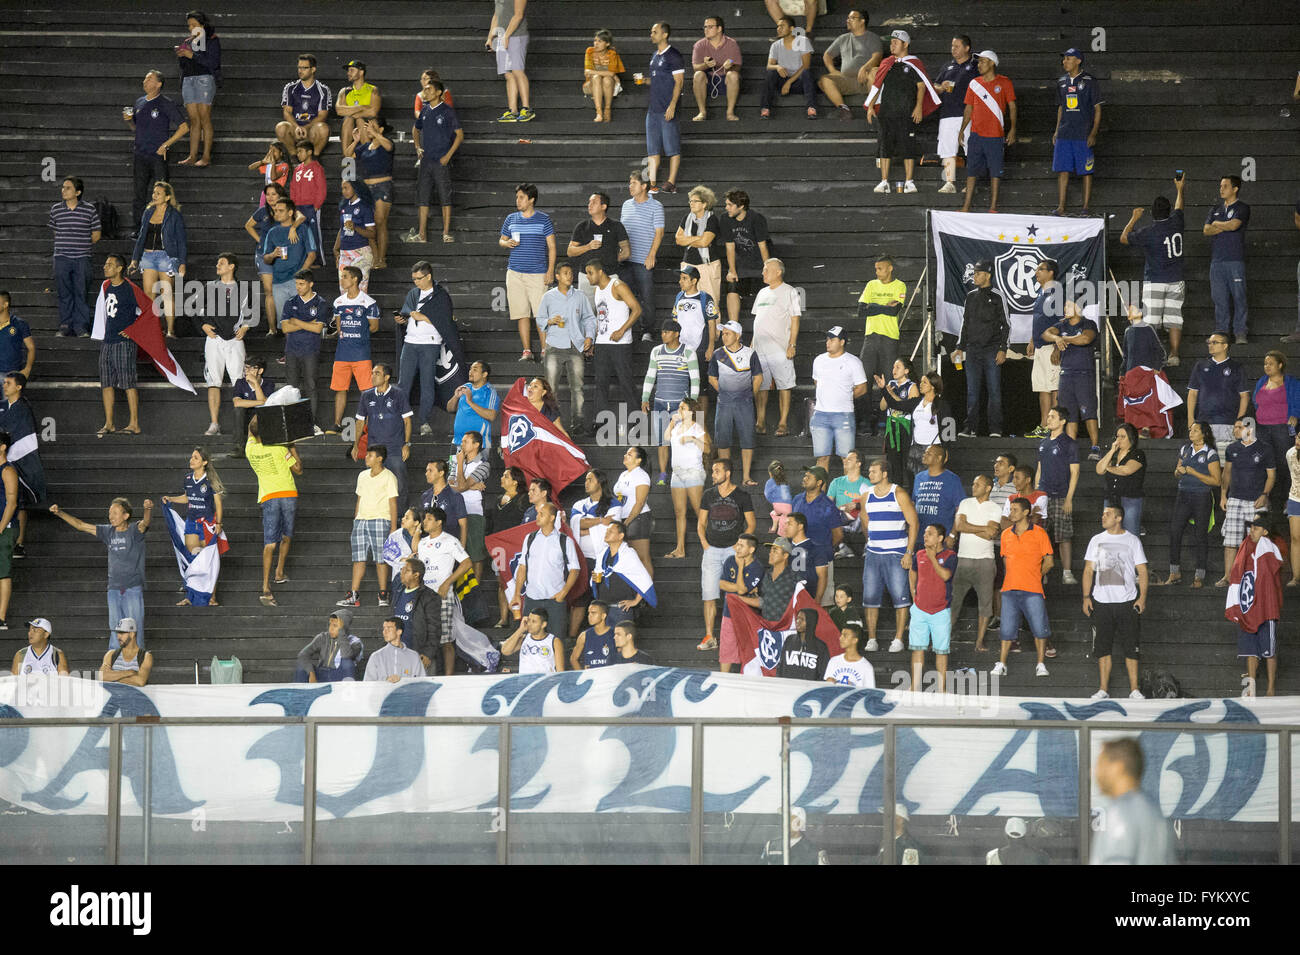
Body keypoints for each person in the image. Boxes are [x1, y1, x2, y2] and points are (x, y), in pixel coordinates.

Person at [49, 497, 152, 649]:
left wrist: (147, 509)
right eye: (110, 513)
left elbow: (145, 523)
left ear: (126, 515)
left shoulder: (133, 531)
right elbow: (81, 525)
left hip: (132, 588)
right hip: (113, 589)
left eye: (115, 513)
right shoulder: (107, 531)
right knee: (115, 628)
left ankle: (138, 664)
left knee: (134, 628)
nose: (111, 516)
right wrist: (60, 513)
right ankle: (114, 664)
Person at [1083, 503, 1148, 701]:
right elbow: (1088, 570)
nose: (1103, 517)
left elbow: (1142, 571)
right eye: (1103, 514)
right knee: (1102, 647)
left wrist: (1142, 597)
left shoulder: (1132, 540)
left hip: (1127, 601)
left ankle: (1134, 689)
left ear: (1119, 518)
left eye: (1108, 514)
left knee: (1131, 646)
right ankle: (1103, 689)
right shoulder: (1096, 540)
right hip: (1101, 601)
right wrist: (1086, 597)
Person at [1120, 175, 1186, 365]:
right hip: (1176, 279)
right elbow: (1179, 207)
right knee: (1174, 319)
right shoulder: (1177, 222)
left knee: (1151, 321)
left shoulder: (1148, 232)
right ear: (1169, 211)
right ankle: (1174, 355)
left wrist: (1133, 218)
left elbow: (1124, 238)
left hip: (1155, 280)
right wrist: (1180, 189)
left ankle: (1152, 357)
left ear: (1152, 213)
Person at [865, 31, 940, 195]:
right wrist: (871, 106)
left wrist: (918, 106)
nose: (892, 45)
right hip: (887, 111)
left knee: (908, 146)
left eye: (895, 42)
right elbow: (878, 86)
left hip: (906, 112)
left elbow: (922, 86)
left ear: (905, 44)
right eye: (891, 42)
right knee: (885, 146)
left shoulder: (913, 64)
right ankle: (884, 181)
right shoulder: (887, 63)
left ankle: (909, 181)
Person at [698, 458, 756, 658]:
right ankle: (709, 636)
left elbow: (751, 524)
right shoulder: (708, 495)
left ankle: (740, 635)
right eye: (712, 471)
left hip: (734, 551)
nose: (713, 474)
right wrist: (705, 544)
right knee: (709, 594)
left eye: (716, 471)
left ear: (728, 473)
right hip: (712, 549)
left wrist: (739, 546)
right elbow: (701, 523)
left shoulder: (742, 495)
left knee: (737, 593)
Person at [859, 457, 918, 653]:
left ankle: (899, 639)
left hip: (896, 553)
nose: (869, 474)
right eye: (869, 471)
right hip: (874, 554)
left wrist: (908, 552)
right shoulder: (866, 495)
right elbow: (865, 522)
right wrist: (870, 544)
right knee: (870, 598)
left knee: (900, 598)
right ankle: (872, 638)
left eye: (873, 471)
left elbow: (914, 523)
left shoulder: (898, 493)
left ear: (884, 474)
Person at [992, 497, 1054, 678]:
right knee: (1006, 629)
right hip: (1009, 589)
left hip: (1033, 589)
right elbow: (1005, 560)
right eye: (1010, 509)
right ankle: (1002, 663)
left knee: (1039, 628)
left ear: (1026, 512)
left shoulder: (1040, 533)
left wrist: (1035, 575)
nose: (1011, 513)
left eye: (1015, 510)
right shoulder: (1005, 535)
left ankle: (1041, 664)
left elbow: (1049, 562)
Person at [245, 415, 303, 606]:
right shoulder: (280, 448)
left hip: (269, 496)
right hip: (287, 494)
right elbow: (298, 469)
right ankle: (279, 572)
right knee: (286, 535)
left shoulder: (250, 449)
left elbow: (250, 427)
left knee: (269, 543)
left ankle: (266, 586)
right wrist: (291, 445)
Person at [1090, 738, 1176, 864]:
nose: (1095, 773)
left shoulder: (1119, 814)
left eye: (1101, 765)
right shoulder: (1156, 815)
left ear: (1118, 767)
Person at [395, 261, 455, 435]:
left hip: (430, 342)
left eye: (419, 278)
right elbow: (406, 312)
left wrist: (423, 316)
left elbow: (446, 320)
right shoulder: (413, 293)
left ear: (429, 276)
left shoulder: (441, 295)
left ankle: (424, 421)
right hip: (410, 341)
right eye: (413, 279)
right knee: (403, 383)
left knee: (427, 383)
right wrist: (402, 320)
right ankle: (400, 420)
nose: (416, 282)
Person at [1158, 421, 1220, 587]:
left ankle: (1199, 575)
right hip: (1183, 494)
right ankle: (1174, 572)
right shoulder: (1185, 449)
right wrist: (1178, 472)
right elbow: (1177, 472)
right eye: (1190, 430)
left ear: (1204, 434)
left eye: (1195, 430)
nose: (1191, 433)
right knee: (1175, 531)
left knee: (1200, 535)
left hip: (1201, 496)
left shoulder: (1210, 453)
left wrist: (1193, 472)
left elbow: (1216, 480)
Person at [201, 252, 257, 436]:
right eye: (217, 263)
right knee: (213, 382)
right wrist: (203, 325)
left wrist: (246, 327)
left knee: (239, 383)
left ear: (232, 266)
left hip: (235, 340)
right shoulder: (209, 287)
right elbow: (197, 311)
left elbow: (256, 312)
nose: (218, 265)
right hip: (214, 339)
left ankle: (241, 426)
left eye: (222, 263)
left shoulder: (244, 289)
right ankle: (214, 424)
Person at [337, 446, 400, 608]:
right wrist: (356, 519)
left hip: (380, 519)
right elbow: (359, 499)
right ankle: (354, 595)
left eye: (370, 455)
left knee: (381, 559)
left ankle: (383, 594)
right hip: (361, 521)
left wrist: (393, 527)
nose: (366, 457)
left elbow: (393, 502)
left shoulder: (389, 477)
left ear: (379, 458)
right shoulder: (362, 475)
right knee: (358, 558)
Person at [124, 70, 188, 227]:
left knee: (161, 192)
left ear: (159, 84)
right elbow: (136, 128)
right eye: (145, 79)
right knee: (139, 194)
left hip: (157, 155)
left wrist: (166, 144)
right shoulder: (139, 102)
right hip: (140, 154)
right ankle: (138, 228)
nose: (145, 81)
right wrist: (129, 121)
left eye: (149, 79)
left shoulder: (165, 103)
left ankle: (162, 226)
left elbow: (184, 127)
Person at [499, 183, 556, 361]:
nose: (518, 201)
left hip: (538, 273)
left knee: (541, 314)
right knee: (521, 313)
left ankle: (545, 349)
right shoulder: (511, 219)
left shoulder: (543, 219)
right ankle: (527, 351)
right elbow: (501, 240)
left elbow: (552, 247)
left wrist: (550, 271)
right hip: (515, 272)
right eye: (517, 197)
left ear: (531, 199)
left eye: (522, 197)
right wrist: (506, 243)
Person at [954, 260, 1009, 437]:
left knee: (994, 391)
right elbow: (965, 323)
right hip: (972, 351)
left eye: (978, 273)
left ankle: (995, 429)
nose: (975, 276)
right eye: (974, 273)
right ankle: (970, 428)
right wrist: (960, 347)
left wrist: (1002, 349)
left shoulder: (998, 296)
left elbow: (1006, 324)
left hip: (992, 349)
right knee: (972, 392)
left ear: (988, 275)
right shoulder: (970, 296)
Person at [1218, 418, 1275, 587]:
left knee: (1259, 540)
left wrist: (1265, 494)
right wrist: (1223, 495)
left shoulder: (1265, 449)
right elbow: (1226, 473)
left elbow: (1271, 475)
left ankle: (1260, 577)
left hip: (1256, 500)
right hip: (1235, 498)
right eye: (1235, 426)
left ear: (1249, 429)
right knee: (1230, 540)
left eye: (1239, 427)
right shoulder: (1232, 448)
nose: (1235, 430)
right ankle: (1228, 576)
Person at [588, 260, 643, 434]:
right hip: (603, 342)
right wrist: (594, 340)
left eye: (590, 272)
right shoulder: (597, 290)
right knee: (600, 383)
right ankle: (601, 422)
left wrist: (622, 330)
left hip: (620, 344)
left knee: (626, 382)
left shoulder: (617, 285)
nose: (588, 277)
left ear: (600, 271)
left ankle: (636, 423)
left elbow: (637, 309)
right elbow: (600, 317)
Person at [958, 50, 1016, 213]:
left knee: (995, 171)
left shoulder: (1004, 82)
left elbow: (1012, 106)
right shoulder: (974, 83)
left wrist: (1013, 129)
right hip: (976, 134)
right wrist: (962, 129)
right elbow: (968, 108)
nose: (979, 64)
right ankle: (966, 206)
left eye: (983, 61)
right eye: (979, 62)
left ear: (992, 63)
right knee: (971, 170)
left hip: (995, 135)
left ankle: (992, 207)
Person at [92, 255, 145, 436]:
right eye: (105, 264)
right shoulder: (106, 286)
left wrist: (133, 330)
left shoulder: (130, 288)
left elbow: (148, 310)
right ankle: (109, 423)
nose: (105, 267)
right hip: (108, 340)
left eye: (109, 265)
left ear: (120, 268)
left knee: (128, 382)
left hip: (124, 342)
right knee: (106, 383)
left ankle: (134, 423)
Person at [417, 505, 472, 678]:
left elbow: (467, 563)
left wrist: (447, 583)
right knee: (425, 635)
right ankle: (426, 674)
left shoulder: (450, 540)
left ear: (439, 522)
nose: (425, 521)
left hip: (442, 594)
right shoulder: (422, 543)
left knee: (446, 638)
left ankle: (448, 677)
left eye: (429, 519)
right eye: (425, 518)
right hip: (424, 594)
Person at [1231, 517, 1283, 697]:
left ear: (1266, 532)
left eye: (1256, 528)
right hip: (1249, 605)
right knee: (1250, 650)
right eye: (1251, 527)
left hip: (1267, 606)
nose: (1251, 531)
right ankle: (1251, 689)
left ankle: (1270, 689)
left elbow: (1270, 571)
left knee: (1269, 650)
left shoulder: (1271, 548)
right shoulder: (1244, 548)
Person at [643, 319, 700, 483]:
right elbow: (650, 375)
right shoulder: (656, 351)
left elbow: (695, 380)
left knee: (680, 442)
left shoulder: (688, 352)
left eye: (667, 332)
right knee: (662, 442)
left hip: (680, 405)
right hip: (660, 402)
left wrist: (692, 402)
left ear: (676, 334)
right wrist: (645, 398)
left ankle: (679, 473)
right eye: (662, 332)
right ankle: (662, 474)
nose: (663, 335)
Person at [1042, 299, 1100, 459]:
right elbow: (1045, 334)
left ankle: (1095, 446)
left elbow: (1085, 339)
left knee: (1088, 411)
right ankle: (1071, 449)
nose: (1065, 308)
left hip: (1083, 374)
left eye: (1069, 306)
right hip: (1066, 375)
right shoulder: (1061, 326)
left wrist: (1063, 339)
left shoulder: (1088, 324)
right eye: (1065, 305)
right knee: (1069, 414)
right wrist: (1056, 339)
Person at [129, 180, 187, 338]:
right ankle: (151, 328)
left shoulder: (174, 214)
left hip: (166, 257)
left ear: (167, 197)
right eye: (154, 193)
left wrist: (182, 262)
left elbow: (181, 240)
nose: (154, 195)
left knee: (166, 292)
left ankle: (170, 330)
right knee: (148, 293)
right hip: (148, 256)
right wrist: (135, 258)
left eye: (158, 193)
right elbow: (141, 236)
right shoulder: (148, 212)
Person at [856, 256, 906, 437]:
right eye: (876, 269)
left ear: (890, 268)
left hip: (889, 339)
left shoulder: (900, 285)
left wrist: (874, 306)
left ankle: (887, 420)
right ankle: (866, 421)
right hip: (870, 338)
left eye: (880, 269)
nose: (877, 272)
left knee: (889, 381)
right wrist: (883, 306)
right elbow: (861, 309)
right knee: (864, 379)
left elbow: (894, 310)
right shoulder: (871, 285)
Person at [407, 79, 462, 245]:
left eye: (429, 89)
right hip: (426, 161)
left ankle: (446, 232)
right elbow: (416, 129)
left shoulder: (447, 111)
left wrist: (448, 156)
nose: (426, 92)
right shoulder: (424, 111)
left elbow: (459, 135)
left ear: (439, 92)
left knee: (445, 196)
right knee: (423, 197)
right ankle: (422, 234)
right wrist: (417, 147)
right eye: (424, 89)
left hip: (441, 160)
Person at [950, 474, 1001, 652]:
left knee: (985, 604)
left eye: (978, 484)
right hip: (963, 558)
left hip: (985, 561)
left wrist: (970, 527)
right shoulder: (965, 503)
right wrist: (982, 527)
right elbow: (959, 526)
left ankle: (979, 641)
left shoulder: (994, 507)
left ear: (988, 488)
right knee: (954, 601)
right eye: (973, 483)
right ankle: (946, 636)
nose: (974, 486)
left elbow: (991, 534)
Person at [708, 321, 763, 486]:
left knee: (747, 439)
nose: (723, 336)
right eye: (723, 333)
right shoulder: (717, 354)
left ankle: (746, 477)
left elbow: (758, 377)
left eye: (727, 333)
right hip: (724, 403)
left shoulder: (750, 353)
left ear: (737, 335)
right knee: (723, 440)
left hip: (744, 403)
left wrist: (747, 395)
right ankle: (726, 478)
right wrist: (725, 392)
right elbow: (712, 378)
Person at [352, 362, 413, 506]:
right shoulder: (366, 395)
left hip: (395, 449)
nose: (373, 376)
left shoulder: (398, 394)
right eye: (372, 373)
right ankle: (377, 516)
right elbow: (360, 422)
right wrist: (355, 445)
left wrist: (407, 444)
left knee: (400, 485)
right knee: (373, 485)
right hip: (374, 450)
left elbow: (407, 421)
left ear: (386, 377)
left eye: (377, 373)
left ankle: (400, 519)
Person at [751, 258, 800, 437]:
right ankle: (760, 421)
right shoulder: (762, 292)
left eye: (766, 270)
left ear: (778, 272)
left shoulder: (790, 292)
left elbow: (795, 319)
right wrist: (752, 345)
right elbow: (758, 320)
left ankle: (783, 423)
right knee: (761, 386)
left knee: (784, 386)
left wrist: (791, 344)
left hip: (780, 348)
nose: (763, 273)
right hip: (759, 349)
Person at [331, 265, 381, 434]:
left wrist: (359, 334)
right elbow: (339, 327)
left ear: (355, 279)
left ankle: (368, 426)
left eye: (345, 276)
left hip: (361, 354)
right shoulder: (338, 302)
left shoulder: (369, 302)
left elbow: (374, 327)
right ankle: (336, 424)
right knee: (340, 389)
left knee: (366, 391)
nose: (342, 279)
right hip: (342, 354)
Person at [49, 176, 101, 337]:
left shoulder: (89, 209)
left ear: (78, 192)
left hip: (82, 258)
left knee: (81, 292)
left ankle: (81, 327)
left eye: (68, 188)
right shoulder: (56, 209)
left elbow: (96, 234)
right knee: (64, 292)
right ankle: (65, 325)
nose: (63, 190)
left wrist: (80, 244)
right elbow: (55, 231)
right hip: (62, 257)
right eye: (63, 187)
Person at [1052, 47, 1102, 214]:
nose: (1064, 61)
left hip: (1083, 133)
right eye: (1064, 58)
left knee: (1086, 170)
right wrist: (1056, 130)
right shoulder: (1061, 81)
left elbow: (1098, 109)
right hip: (1065, 133)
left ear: (1078, 60)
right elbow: (1061, 107)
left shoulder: (1089, 81)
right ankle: (1061, 206)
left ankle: (1085, 207)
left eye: (1068, 58)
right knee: (1062, 169)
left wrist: (1093, 132)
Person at [1251, 350, 1300, 516]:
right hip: (1263, 428)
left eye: (1270, 363)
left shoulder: (1291, 382)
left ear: (1280, 365)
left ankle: (1288, 500)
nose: (1267, 366)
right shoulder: (1262, 381)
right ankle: (1266, 499)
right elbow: (1256, 402)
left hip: (1281, 428)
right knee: (1265, 464)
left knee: (1284, 463)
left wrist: (1295, 415)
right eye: (1265, 364)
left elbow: (1297, 401)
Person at [909, 523, 957, 692]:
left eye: (930, 533)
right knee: (917, 649)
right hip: (920, 609)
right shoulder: (919, 554)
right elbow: (912, 572)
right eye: (925, 533)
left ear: (940, 538)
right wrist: (913, 592)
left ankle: (941, 688)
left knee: (941, 651)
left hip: (941, 611)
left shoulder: (950, 556)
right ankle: (914, 686)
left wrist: (932, 558)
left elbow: (945, 575)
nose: (925, 536)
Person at [1203, 175, 1251, 342]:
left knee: (1239, 297)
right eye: (1220, 185)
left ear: (1235, 189)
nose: (1221, 189)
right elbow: (1206, 230)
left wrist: (1217, 224)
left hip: (1235, 260)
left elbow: (1234, 225)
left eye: (1225, 186)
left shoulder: (1242, 207)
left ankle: (1240, 332)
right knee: (1219, 299)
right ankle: (1222, 333)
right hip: (1217, 261)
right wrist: (1223, 225)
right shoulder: (1215, 209)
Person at [278, 269, 327, 430]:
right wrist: (308, 323)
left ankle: (311, 423)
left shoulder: (320, 302)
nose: (298, 287)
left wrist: (296, 321)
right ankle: (293, 423)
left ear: (310, 284)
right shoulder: (290, 302)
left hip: (310, 350)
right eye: (296, 284)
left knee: (311, 385)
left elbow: (317, 329)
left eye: (301, 284)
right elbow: (285, 328)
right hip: (291, 349)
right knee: (291, 387)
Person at [1036, 406, 1081, 583]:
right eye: (1048, 416)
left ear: (1063, 421)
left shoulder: (1069, 443)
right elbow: (1039, 470)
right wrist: (1036, 495)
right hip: (1043, 496)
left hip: (1061, 495)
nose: (1049, 419)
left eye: (1053, 417)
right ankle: (1042, 573)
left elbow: (1075, 472)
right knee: (1041, 536)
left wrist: (1069, 498)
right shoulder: (1043, 443)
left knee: (1064, 536)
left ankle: (1067, 572)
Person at [671, 263, 719, 423]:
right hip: (682, 348)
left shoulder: (705, 297)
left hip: (700, 347)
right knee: (684, 386)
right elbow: (674, 320)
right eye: (680, 278)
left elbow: (712, 323)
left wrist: (711, 346)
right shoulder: (679, 297)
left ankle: (701, 424)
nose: (680, 281)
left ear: (694, 280)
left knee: (702, 388)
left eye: (684, 278)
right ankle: (685, 421)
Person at [567, 191, 631, 312]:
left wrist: (612, 259)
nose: (589, 205)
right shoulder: (582, 226)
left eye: (594, 202)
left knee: (609, 312)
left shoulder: (616, 226)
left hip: (609, 276)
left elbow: (626, 251)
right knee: (586, 314)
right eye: (589, 202)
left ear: (603, 206)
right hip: (586, 277)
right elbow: (570, 251)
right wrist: (588, 247)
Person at [260, 198, 319, 325]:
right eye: (275, 211)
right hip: (278, 282)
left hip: (298, 281)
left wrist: (300, 275)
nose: (277, 213)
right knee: (285, 323)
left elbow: (312, 255)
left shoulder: (303, 229)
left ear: (290, 212)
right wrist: (272, 254)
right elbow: (265, 259)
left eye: (281, 211)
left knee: (303, 320)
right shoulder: (272, 232)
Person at [662, 399, 709, 558]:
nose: (679, 410)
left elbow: (709, 449)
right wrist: (671, 422)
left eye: (683, 408)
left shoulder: (697, 427)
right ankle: (680, 549)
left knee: (698, 511)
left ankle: (709, 546)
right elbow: (666, 437)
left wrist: (693, 439)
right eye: (679, 407)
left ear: (691, 411)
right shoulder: (676, 427)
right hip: (677, 473)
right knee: (679, 512)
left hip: (693, 472)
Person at [160, 446, 224, 562]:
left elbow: (218, 504)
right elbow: (187, 498)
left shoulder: (211, 479)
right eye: (191, 457)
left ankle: (212, 581)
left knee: (208, 560)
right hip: (191, 523)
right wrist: (171, 499)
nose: (191, 460)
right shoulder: (188, 478)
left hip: (207, 524)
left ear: (204, 462)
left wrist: (218, 523)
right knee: (193, 559)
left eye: (196, 458)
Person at [620, 171, 664, 338]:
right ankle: (627, 329)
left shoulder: (656, 206)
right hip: (625, 259)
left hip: (644, 260)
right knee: (625, 297)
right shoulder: (626, 205)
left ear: (644, 186)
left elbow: (659, 233)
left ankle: (647, 330)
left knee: (646, 297)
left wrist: (651, 255)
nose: (630, 186)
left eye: (633, 183)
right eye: (629, 183)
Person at [817, 9, 882, 120]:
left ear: (862, 21)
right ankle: (843, 109)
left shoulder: (872, 37)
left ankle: (875, 108)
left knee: (875, 71)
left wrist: (865, 68)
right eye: (848, 18)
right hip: (847, 80)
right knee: (824, 80)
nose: (848, 20)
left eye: (852, 18)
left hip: (866, 80)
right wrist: (832, 70)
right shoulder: (843, 38)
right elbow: (827, 55)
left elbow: (877, 57)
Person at [644, 22, 685, 193]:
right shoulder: (655, 55)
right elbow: (657, 79)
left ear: (665, 34)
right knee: (653, 148)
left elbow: (679, 82)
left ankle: (671, 181)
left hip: (667, 107)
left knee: (672, 147)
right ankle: (652, 183)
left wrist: (673, 105)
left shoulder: (673, 55)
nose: (651, 35)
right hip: (653, 108)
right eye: (651, 31)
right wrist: (645, 81)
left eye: (655, 32)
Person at [932, 35, 977, 193]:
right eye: (952, 46)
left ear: (967, 48)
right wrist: (940, 88)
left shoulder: (975, 65)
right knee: (947, 149)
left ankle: (971, 184)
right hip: (948, 113)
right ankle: (949, 182)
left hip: (968, 113)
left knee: (971, 148)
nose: (953, 49)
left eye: (957, 46)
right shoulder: (947, 66)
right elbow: (935, 86)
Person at [1186, 334, 1248, 447]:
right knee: (1204, 459)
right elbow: (1192, 393)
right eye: (1209, 342)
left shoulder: (1236, 367)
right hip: (1204, 422)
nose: (1210, 345)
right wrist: (1190, 418)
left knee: (1226, 460)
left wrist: (1239, 422)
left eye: (1214, 342)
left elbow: (1244, 396)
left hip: (1228, 422)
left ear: (1225, 346)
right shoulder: (1200, 366)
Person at [348, 116, 394, 267]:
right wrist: (355, 140)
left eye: (371, 125)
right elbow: (348, 155)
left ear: (380, 129)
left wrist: (375, 134)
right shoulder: (365, 147)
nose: (367, 128)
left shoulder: (385, 143)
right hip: (366, 189)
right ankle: (375, 257)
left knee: (380, 221)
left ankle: (382, 258)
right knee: (369, 224)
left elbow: (389, 147)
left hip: (382, 186)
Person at [176, 12, 220, 167]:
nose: (191, 28)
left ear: (202, 25)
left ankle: (206, 156)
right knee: (194, 120)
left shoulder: (211, 40)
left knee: (204, 118)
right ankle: (192, 155)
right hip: (189, 79)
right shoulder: (188, 41)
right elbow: (183, 65)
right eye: (189, 25)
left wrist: (192, 55)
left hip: (204, 79)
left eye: (194, 25)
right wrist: (182, 55)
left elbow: (212, 63)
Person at [591, 519, 654, 628]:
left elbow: (643, 578)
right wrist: (594, 579)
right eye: (606, 531)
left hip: (620, 609)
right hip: (603, 608)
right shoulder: (602, 554)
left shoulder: (628, 555)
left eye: (611, 532)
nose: (606, 533)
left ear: (621, 536)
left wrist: (636, 601)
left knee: (621, 643)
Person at [715, 532, 764, 670]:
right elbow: (721, 584)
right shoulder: (730, 560)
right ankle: (724, 679)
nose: (737, 548)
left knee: (749, 650)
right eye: (737, 544)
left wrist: (741, 567)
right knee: (727, 647)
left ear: (751, 549)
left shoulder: (757, 567)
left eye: (741, 546)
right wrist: (737, 588)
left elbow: (741, 591)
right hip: (729, 612)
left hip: (748, 615)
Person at [722, 190, 770, 326]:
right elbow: (729, 246)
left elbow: (763, 246)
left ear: (741, 206)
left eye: (730, 205)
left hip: (758, 262)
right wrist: (732, 270)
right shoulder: (725, 219)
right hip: (741, 263)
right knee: (732, 285)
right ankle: (733, 327)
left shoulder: (756, 219)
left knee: (767, 291)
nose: (726, 208)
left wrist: (767, 269)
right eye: (726, 204)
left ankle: (762, 327)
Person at [1026, 259, 1062, 437]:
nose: (1036, 272)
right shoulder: (1041, 293)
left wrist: (1057, 346)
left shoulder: (1057, 293)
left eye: (1041, 269)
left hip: (1051, 347)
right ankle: (1044, 425)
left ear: (1051, 273)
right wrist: (1032, 340)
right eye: (1036, 269)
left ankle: (1054, 426)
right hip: (1040, 347)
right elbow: (1040, 319)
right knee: (1042, 388)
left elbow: (1061, 322)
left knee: (1054, 387)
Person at [451, 432, 492, 580]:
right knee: (456, 552)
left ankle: (477, 589)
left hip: (473, 511)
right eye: (462, 441)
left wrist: (460, 465)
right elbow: (448, 485)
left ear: (476, 445)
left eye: (466, 441)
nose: (462, 444)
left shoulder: (484, 464)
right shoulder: (454, 460)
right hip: (454, 510)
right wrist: (471, 486)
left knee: (475, 553)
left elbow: (460, 486)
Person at [390, 556, 442, 674]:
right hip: (397, 654)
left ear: (416, 575)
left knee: (422, 691)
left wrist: (428, 653)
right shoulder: (398, 592)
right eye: (402, 569)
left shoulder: (429, 596)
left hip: (419, 656)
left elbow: (435, 628)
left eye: (406, 570)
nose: (402, 572)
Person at [676, 190, 724, 313]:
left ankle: (712, 332)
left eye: (695, 201)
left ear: (704, 204)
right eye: (690, 201)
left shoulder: (712, 219)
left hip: (707, 265)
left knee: (711, 303)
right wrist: (698, 238)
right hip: (688, 264)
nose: (691, 203)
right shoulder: (686, 218)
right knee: (687, 301)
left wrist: (687, 240)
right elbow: (678, 239)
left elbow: (705, 243)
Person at [276, 53, 332, 157]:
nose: (300, 71)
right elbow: (287, 112)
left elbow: (322, 116)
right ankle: (294, 158)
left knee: (324, 128)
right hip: (294, 129)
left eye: (304, 68)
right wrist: (297, 127)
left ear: (313, 69)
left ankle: (313, 159)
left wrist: (306, 127)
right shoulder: (290, 88)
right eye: (299, 68)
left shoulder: (323, 90)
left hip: (311, 130)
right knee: (281, 127)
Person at [1096, 423, 1146, 537]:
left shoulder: (1137, 454)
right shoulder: (1113, 455)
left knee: (1130, 533)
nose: (1119, 440)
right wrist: (1111, 451)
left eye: (1123, 437)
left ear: (1131, 438)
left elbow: (1126, 470)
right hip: (1111, 499)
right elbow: (1099, 469)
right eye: (1117, 436)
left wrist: (1108, 468)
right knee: (1109, 534)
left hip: (1130, 499)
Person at [761, 16, 817, 119]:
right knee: (771, 73)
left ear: (791, 29)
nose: (779, 29)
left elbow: (806, 66)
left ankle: (811, 108)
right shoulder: (775, 45)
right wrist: (777, 66)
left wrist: (789, 82)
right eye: (778, 26)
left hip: (799, 82)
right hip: (782, 82)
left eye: (782, 26)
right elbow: (769, 66)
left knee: (807, 73)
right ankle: (765, 109)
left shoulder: (802, 41)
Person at [487, 0, 533, 123]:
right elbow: (497, 15)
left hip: (517, 35)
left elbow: (518, 14)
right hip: (502, 36)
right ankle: (512, 111)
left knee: (517, 71)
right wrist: (491, 37)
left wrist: (507, 35)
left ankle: (526, 108)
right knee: (508, 74)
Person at [691, 14, 742, 122]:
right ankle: (702, 112)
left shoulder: (731, 43)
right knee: (698, 75)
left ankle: (730, 112)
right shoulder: (699, 45)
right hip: (708, 81)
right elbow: (695, 67)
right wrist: (706, 65)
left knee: (733, 75)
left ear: (719, 29)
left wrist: (731, 65)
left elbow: (738, 66)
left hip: (725, 81)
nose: (706, 29)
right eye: (705, 27)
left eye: (710, 27)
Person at [911, 445, 964, 548]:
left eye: (928, 453)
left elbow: (960, 509)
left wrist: (953, 534)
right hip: (920, 537)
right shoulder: (919, 477)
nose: (924, 455)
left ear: (939, 458)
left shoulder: (952, 479)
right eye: (925, 453)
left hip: (941, 539)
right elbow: (914, 503)